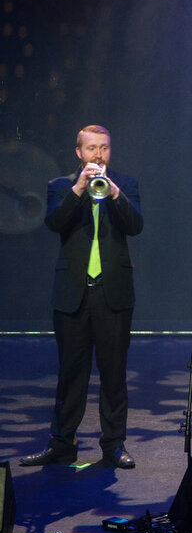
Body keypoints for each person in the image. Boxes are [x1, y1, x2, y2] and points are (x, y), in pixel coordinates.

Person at [20, 125, 143, 469]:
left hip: (113, 295)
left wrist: (115, 194)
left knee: (114, 375)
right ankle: (62, 443)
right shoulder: (60, 187)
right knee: (70, 373)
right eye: (91, 148)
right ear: (79, 152)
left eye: (104, 148)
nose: (98, 155)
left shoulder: (126, 185)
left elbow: (136, 226)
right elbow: (55, 223)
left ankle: (114, 445)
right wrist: (78, 189)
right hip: (72, 294)